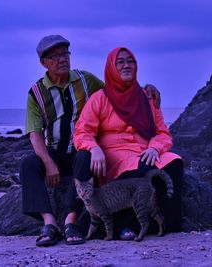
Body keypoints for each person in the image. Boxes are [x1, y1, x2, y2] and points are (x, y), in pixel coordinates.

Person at [20, 35, 161, 247]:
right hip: (55, 150)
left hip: (80, 148)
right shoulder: (37, 93)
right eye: (55, 56)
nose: (62, 59)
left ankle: (70, 222)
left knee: (86, 157)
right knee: (28, 164)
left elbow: (118, 90)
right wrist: (49, 164)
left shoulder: (86, 80)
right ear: (43, 63)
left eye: (65, 54)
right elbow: (35, 134)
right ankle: (49, 223)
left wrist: (146, 90)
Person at [73, 47, 184, 240]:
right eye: (120, 62)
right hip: (114, 154)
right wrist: (94, 147)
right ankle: (125, 225)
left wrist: (154, 147)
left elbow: (163, 133)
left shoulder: (147, 96)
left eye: (130, 61)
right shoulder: (100, 98)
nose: (126, 65)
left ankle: (168, 221)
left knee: (174, 161)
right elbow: (82, 132)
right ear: (111, 67)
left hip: (145, 150)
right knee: (140, 166)